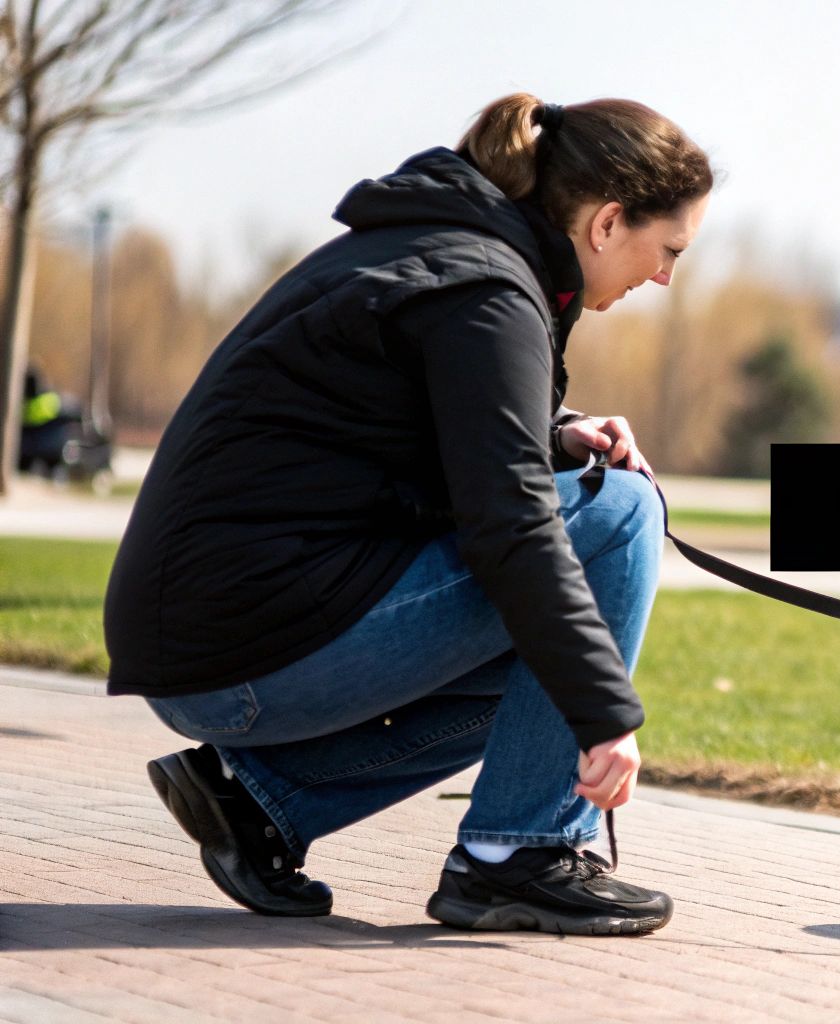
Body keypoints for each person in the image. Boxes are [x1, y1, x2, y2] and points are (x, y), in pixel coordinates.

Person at [102, 92, 713, 934]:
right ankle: (519, 854)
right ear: (608, 222)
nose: (666, 277)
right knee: (624, 513)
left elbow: (401, 431)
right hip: (240, 654)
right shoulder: (487, 290)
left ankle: (263, 801)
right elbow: (511, 526)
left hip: (208, 640)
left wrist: (554, 436)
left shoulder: (439, 252)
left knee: (547, 668)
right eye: (669, 249)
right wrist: (606, 716)